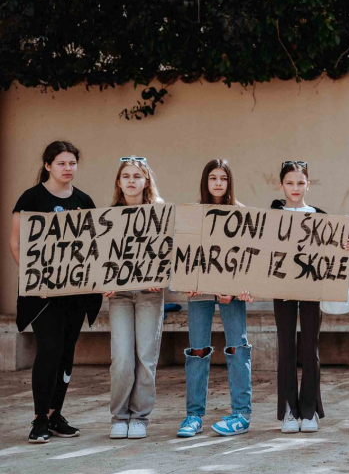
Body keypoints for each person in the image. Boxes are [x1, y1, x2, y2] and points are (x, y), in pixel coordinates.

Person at [9, 141, 102, 444]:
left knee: (65, 353)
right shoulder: (31, 198)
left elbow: (93, 247)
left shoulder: (84, 200)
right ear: (48, 165)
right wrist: (35, 280)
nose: (67, 168)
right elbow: (16, 244)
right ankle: (38, 419)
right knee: (48, 351)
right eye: (61, 163)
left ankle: (54, 414)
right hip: (43, 296)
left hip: (75, 295)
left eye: (72, 163)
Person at [271, 161, 349, 434]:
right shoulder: (271, 215)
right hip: (281, 289)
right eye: (290, 183)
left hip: (312, 288)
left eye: (300, 183)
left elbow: (335, 253)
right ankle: (288, 410)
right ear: (281, 185)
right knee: (286, 348)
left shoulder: (321, 216)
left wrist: (346, 246)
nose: (295, 188)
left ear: (308, 184)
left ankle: (309, 412)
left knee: (311, 348)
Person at [176, 160, 255, 438]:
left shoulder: (241, 213)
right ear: (205, 181)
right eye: (213, 177)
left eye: (223, 178)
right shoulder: (192, 213)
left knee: (237, 348)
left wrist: (240, 287)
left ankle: (242, 414)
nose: (218, 183)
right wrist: (188, 282)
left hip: (230, 294)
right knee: (197, 350)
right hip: (199, 293)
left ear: (229, 182)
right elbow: (184, 252)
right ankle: (193, 415)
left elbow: (250, 256)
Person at [103, 157, 167, 440]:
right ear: (119, 182)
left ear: (146, 181)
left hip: (150, 296)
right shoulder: (107, 216)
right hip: (119, 296)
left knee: (145, 358)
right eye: (126, 176)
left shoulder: (161, 213)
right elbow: (99, 256)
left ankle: (139, 417)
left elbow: (171, 252)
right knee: (121, 358)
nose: (131, 180)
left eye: (137, 176)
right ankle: (119, 416)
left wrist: (161, 277)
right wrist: (100, 283)